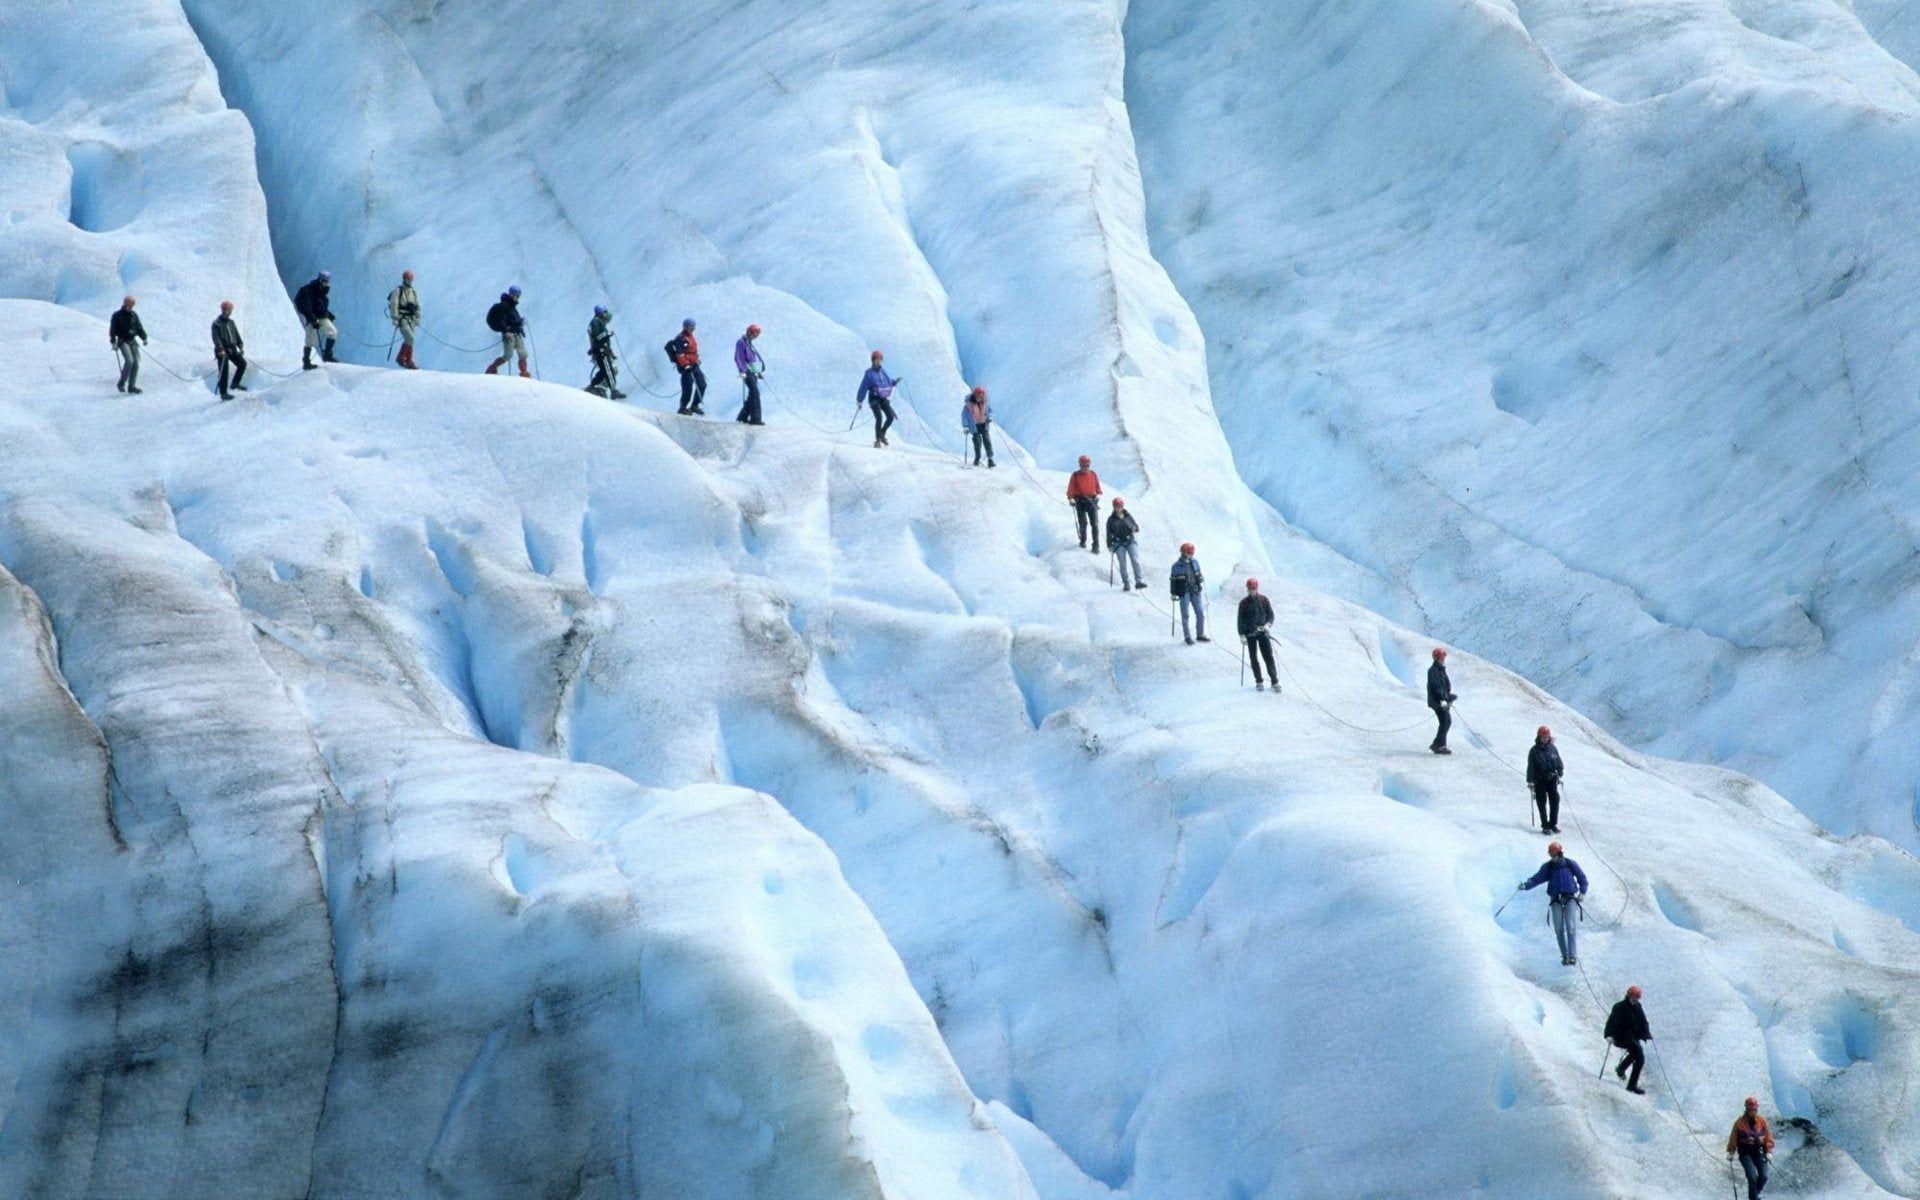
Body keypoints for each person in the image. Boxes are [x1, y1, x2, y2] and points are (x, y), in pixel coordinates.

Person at [1520, 841, 1588, 965]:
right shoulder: (1548, 867)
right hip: (1555, 900)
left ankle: (1572, 955)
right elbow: (1537, 879)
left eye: (1555, 855)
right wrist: (1526, 885)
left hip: (1570, 898)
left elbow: (1582, 878)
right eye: (1552, 856)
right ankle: (1565, 956)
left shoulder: (1570, 864)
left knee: (1570, 926)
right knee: (1559, 928)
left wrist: (1582, 893)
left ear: (1560, 853)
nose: (1553, 858)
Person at [1603, 985, 1651, 1095]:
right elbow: (1610, 1022)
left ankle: (1623, 1072)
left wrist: (1647, 1033)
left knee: (1638, 1057)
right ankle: (1630, 1083)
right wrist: (1608, 1035)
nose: (1636, 1001)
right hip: (1619, 1036)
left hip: (1632, 1037)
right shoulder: (1619, 1007)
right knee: (1638, 1052)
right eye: (1634, 998)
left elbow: (1644, 1022)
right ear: (1628, 996)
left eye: (1637, 999)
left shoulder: (1638, 1007)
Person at [1727, 1098, 1774, 1200]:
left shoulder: (1762, 1121)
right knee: (1752, 1177)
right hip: (1745, 1153)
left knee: (1764, 1176)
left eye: (1755, 1109)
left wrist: (1769, 1151)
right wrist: (1731, 1152)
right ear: (1747, 1109)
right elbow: (1733, 1138)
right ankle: (1754, 1198)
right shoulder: (1739, 1123)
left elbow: (1768, 1136)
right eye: (1751, 1109)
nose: (1753, 1111)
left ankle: (1753, 1196)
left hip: (1758, 1151)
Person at [1239, 579, 1280, 693]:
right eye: (1250, 589)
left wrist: (1268, 624)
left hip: (1263, 632)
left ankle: (1274, 681)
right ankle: (1259, 681)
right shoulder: (1243, 603)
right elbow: (1240, 620)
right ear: (1247, 589)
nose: (1252, 591)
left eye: (1254, 589)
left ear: (1257, 588)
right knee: (1254, 658)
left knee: (1268, 657)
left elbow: (1271, 614)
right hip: (1250, 633)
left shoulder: (1264, 600)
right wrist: (1241, 634)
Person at [293, 270, 337, 369]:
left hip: (320, 318)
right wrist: (313, 320)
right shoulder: (310, 290)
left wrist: (328, 315)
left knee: (332, 332)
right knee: (310, 340)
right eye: (323, 281)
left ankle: (327, 355)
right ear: (319, 279)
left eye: (326, 281)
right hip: (312, 319)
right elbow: (308, 307)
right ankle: (306, 362)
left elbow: (319, 307)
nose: (325, 283)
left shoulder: (321, 291)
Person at [484, 286, 531, 378]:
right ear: (511, 294)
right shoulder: (503, 306)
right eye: (516, 295)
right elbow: (501, 320)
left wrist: (520, 322)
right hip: (509, 334)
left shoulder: (511, 307)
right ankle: (492, 368)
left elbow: (512, 320)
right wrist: (505, 330)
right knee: (508, 355)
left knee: (523, 353)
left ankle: (524, 372)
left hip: (517, 333)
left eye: (518, 296)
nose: (517, 297)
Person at [856, 350, 899, 447]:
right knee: (879, 418)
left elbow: (888, 382)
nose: (879, 361)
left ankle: (882, 434)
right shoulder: (869, 373)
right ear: (873, 360)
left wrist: (894, 382)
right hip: (874, 399)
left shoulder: (882, 371)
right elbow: (863, 387)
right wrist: (859, 400)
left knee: (890, 417)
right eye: (877, 359)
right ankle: (878, 440)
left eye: (880, 359)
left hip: (883, 399)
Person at [1528, 725, 1565, 832]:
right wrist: (1530, 781)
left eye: (1547, 736)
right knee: (1542, 802)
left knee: (1555, 801)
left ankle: (1553, 824)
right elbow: (1531, 767)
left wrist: (1560, 771)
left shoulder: (1553, 748)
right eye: (1543, 736)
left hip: (1552, 780)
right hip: (1539, 781)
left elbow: (1558, 762)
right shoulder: (1534, 751)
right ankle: (1545, 825)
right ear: (1539, 737)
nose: (1545, 738)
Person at [1170, 542, 1208, 644]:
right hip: (1184, 592)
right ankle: (1187, 636)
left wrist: (1200, 578)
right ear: (1183, 552)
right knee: (1185, 615)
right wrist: (1173, 593)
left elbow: (1198, 574)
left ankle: (1200, 634)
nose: (1191, 554)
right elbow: (1173, 581)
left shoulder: (1195, 562)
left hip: (1195, 591)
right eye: (1189, 553)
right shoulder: (1176, 566)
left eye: (1191, 553)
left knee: (1200, 613)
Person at [666, 318, 706, 414]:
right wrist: (685, 365)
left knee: (702, 384)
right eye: (691, 326)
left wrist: (696, 359)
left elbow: (692, 350)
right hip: (686, 367)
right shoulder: (680, 338)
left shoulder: (690, 337)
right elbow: (680, 353)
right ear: (686, 327)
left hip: (694, 365)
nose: (693, 328)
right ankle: (683, 407)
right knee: (688, 386)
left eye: (693, 326)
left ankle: (695, 405)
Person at [109, 295, 147, 394]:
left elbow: (139, 327)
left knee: (136, 363)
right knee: (129, 361)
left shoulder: (134, 315)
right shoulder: (117, 315)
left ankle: (132, 386)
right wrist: (113, 341)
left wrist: (144, 337)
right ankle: (121, 383)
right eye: (130, 304)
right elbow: (113, 329)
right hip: (122, 341)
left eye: (132, 305)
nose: (131, 306)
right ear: (125, 303)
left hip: (132, 341)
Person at [586, 306, 625, 399]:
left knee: (604, 371)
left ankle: (592, 386)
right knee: (609, 370)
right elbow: (598, 337)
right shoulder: (596, 322)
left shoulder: (597, 322)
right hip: (601, 351)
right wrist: (608, 334)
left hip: (601, 351)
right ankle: (613, 391)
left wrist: (610, 351)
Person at [211, 301, 247, 400]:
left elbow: (236, 334)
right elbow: (216, 338)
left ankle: (235, 383)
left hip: (232, 349)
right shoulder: (216, 323)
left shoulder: (231, 322)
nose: (230, 312)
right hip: (222, 351)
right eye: (229, 310)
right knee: (224, 371)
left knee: (242, 364)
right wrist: (220, 348)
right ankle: (223, 393)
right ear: (224, 310)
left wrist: (240, 344)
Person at [1067, 455, 1102, 552]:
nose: (1084, 467)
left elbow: (1097, 486)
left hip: (1092, 501)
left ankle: (1096, 545)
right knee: (1083, 523)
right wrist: (1071, 498)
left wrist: (1097, 494)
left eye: (1086, 465)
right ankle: (1083, 541)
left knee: (1094, 524)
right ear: (1079, 465)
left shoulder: (1093, 474)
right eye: (1083, 465)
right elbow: (1071, 487)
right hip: (1080, 501)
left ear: (1089, 465)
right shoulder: (1075, 475)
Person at [387, 270, 420, 369]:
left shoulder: (413, 292)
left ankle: (407, 359)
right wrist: (395, 318)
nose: (410, 281)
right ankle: (403, 358)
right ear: (404, 279)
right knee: (410, 338)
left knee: (410, 339)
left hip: (411, 319)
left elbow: (417, 306)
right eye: (408, 279)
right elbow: (394, 304)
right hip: (402, 318)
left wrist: (418, 317)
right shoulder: (398, 291)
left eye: (411, 279)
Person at [1107, 498, 1142, 590]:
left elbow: (1136, 527)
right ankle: (1126, 583)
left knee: (1135, 560)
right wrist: (1110, 545)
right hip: (1119, 543)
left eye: (1120, 506)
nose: (1119, 508)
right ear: (1114, 507)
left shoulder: (1128, 516)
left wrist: (1134, 528)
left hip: (1130, 541)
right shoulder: (1111, 520)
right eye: (1117, 507)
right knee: (1122, 563)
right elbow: (1108, 533)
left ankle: (1138, 581)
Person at [1428, 647, 1456, 755]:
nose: (1443, 659)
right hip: (1438, 701)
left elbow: (1443, 686)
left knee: (1446, 721)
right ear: (1437, 658)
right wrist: (1445, 698)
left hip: (1441, 700)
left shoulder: (1439, 670)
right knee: (1445, 721)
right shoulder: (1434, 671)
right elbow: (1436, 688)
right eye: (1441, 657)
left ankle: (1438, 744)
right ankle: (1438, 745)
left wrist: (1448, 696)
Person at [735, 324, 765, 424]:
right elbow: (739, 357)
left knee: (752, 394)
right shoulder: (741, 342)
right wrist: (742, 371)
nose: (756, 336)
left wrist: (758, 372)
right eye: (756, 334)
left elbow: (752, 359)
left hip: (752, 372)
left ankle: (742, 417)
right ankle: (755, 419)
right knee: (755, 393)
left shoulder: (748, 343)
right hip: (747, 372)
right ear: (750, 332)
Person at [961, 386, 994, 467]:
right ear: (974, 395)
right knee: (977, 442)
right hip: (974, 426)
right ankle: (977, 458)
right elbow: (964, 416)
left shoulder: (985, 403)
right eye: (978, 395)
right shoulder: (968, 404)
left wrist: (990, 416)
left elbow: (990, 411)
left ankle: (990, 459)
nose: (980, 397)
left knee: (987, 441)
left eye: (981, 395)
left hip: (984, 424)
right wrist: (965, 426)